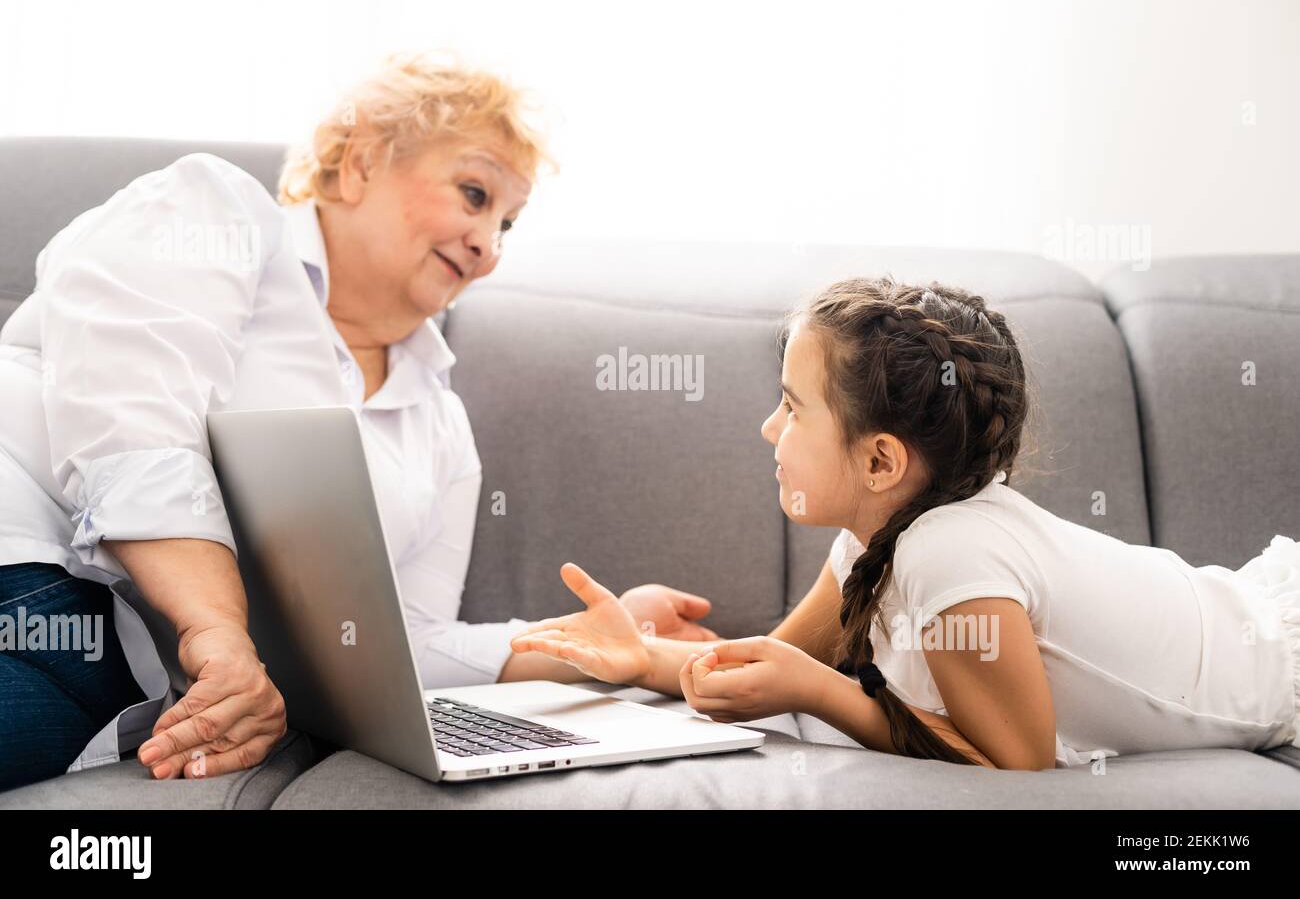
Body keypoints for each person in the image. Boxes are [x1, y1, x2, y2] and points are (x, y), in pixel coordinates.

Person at [0, 52, 714, 793]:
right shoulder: (216, 213)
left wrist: (577, 645)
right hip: (23, 554)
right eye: (473, 194)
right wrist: (215, 630)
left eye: (507, 223)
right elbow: (129, 412)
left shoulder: (442, 430)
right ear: (360, 159)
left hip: (110, 674)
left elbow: (391, 648)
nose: (488, 244)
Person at [510, 276, 1300, 769]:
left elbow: (1015, 762)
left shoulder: (948, 555)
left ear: (881, 462)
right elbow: (775, 662)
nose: (767, 429)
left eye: (791, 407)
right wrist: (639, 657)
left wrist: (825, 694)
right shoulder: (872, 538)